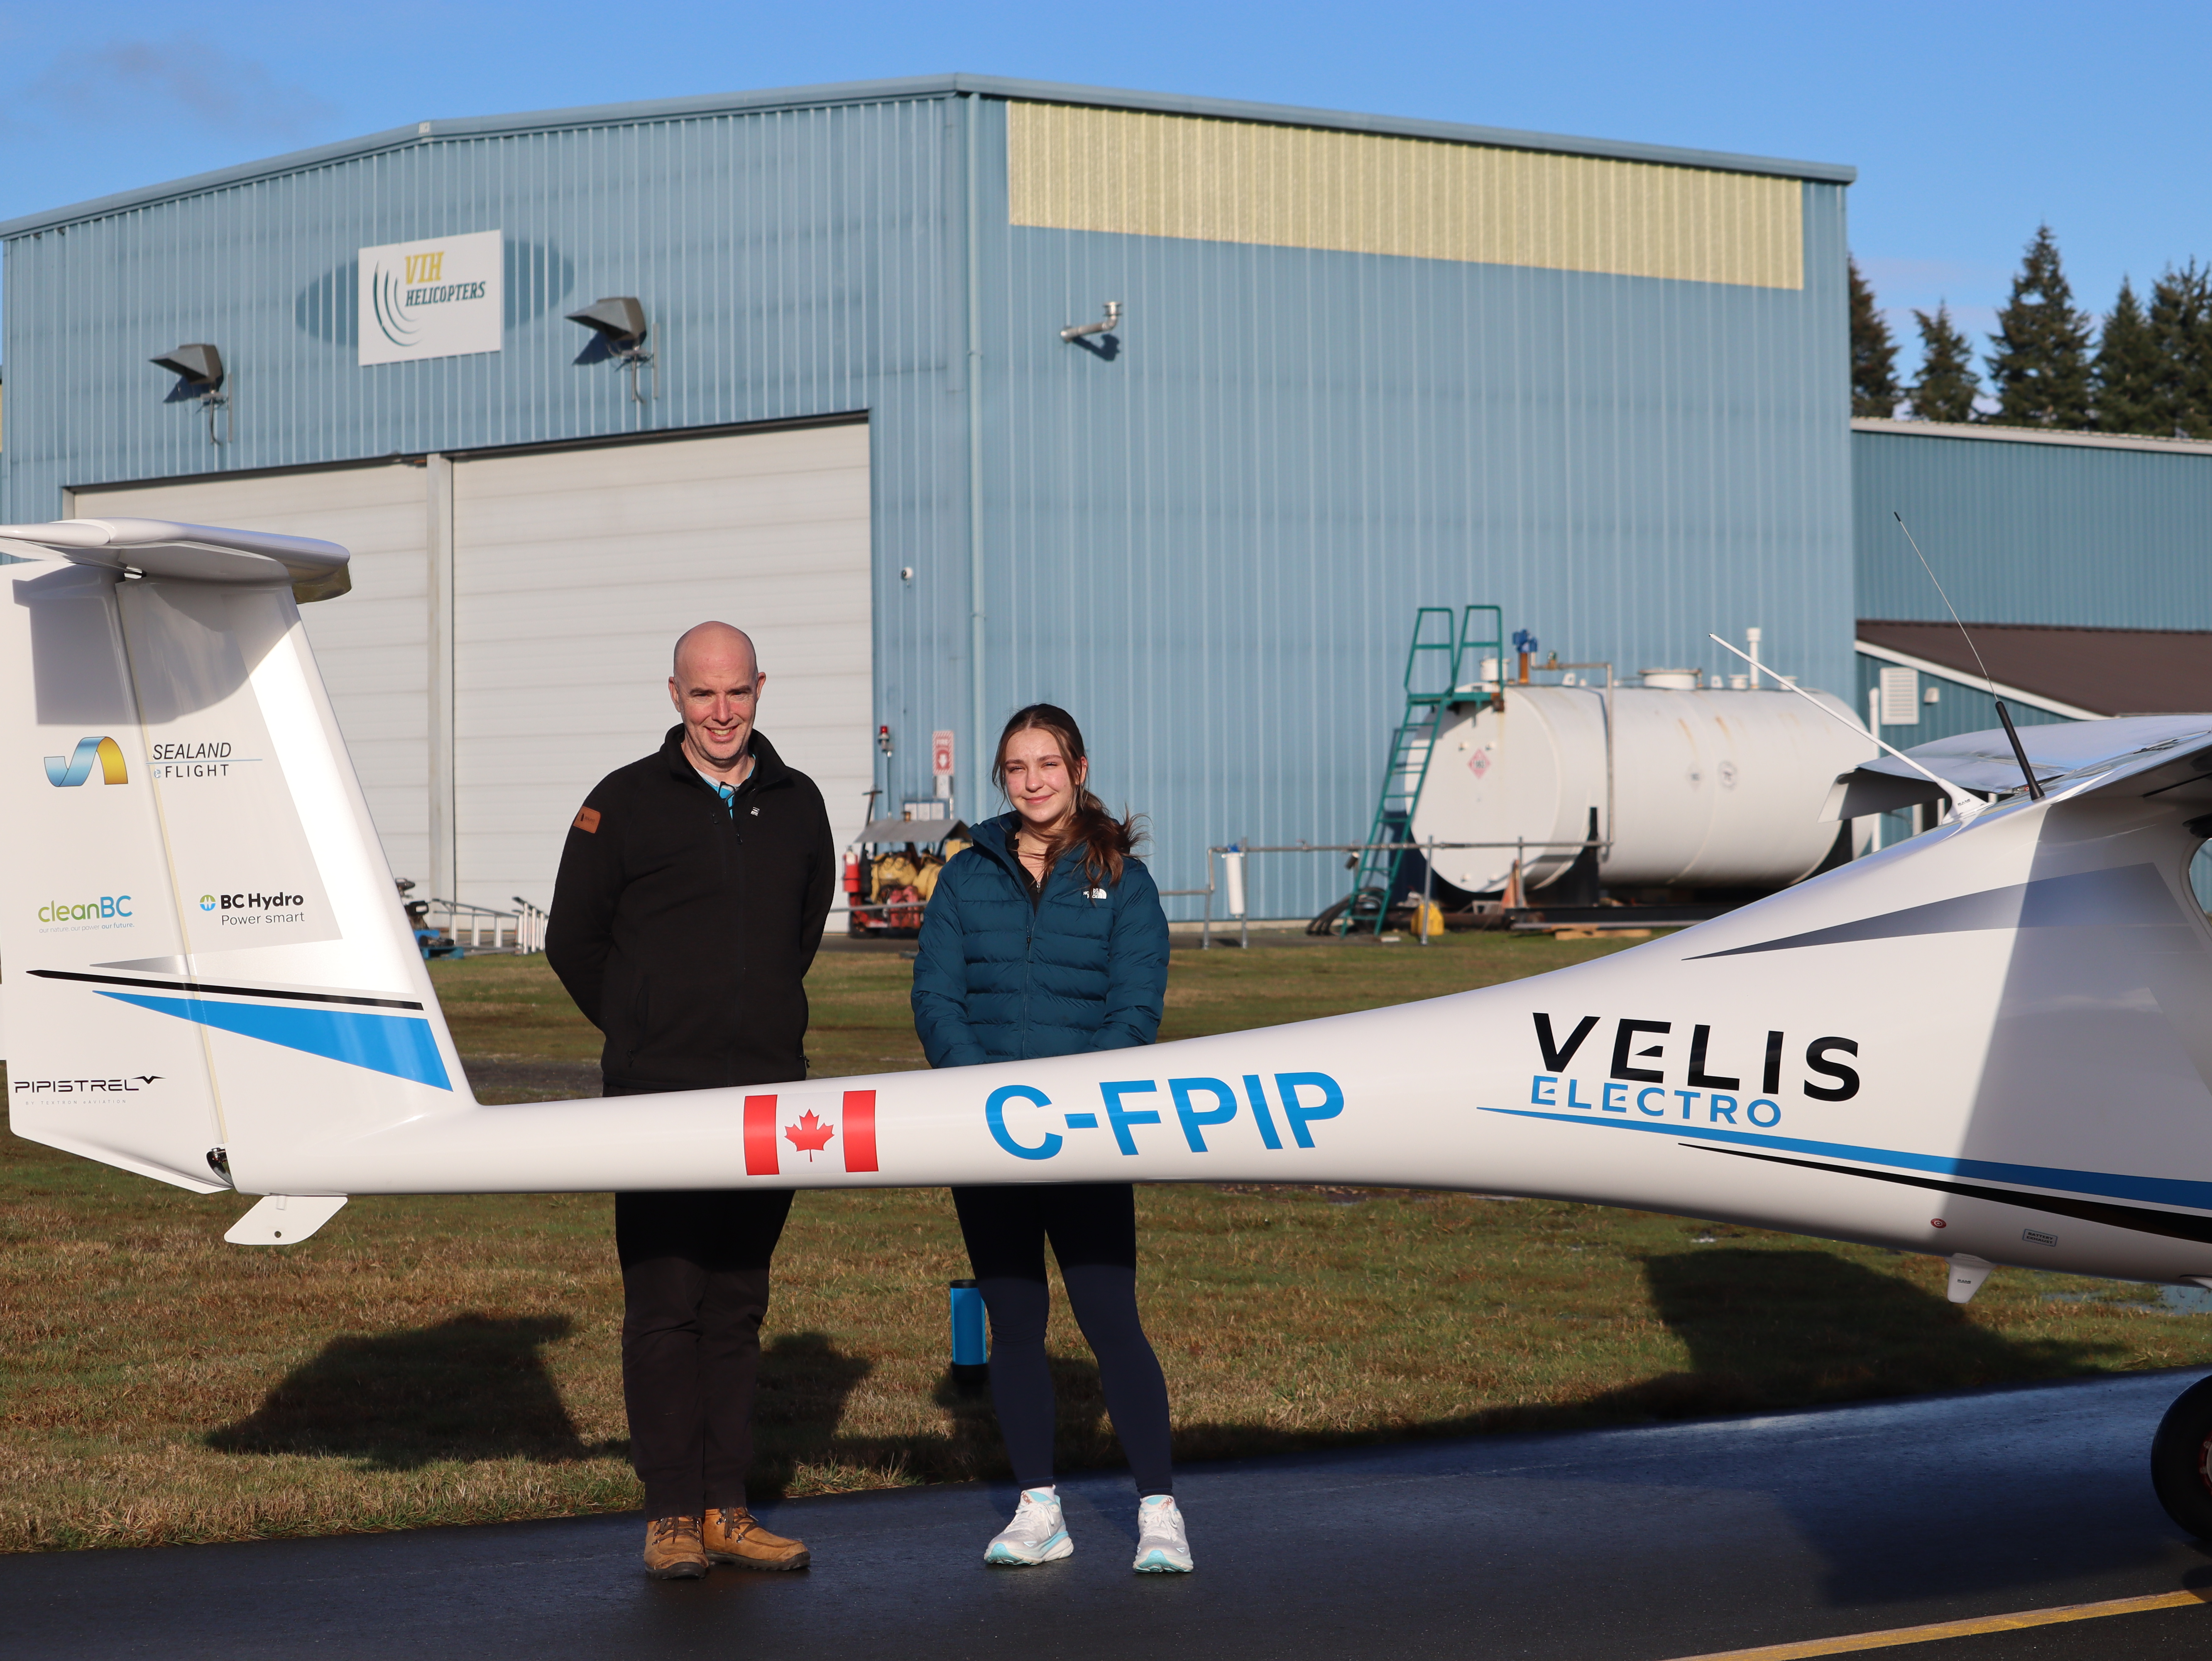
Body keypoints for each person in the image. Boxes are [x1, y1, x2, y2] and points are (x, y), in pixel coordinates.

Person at [547, 622, 833, 1581]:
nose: (722, 712)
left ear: (761, 689)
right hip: (657, 1100)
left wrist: (746, 1028)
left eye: (738, 693)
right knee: (666, 1303)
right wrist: (641, 1028)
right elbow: (573, 941)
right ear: (674, 693)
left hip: (764, 1100)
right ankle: (671, 1511)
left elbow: (798, 933)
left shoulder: (799, 803)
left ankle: (728, 1507)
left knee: (738, 1302)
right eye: (704, 694)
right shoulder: (622, 803)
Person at [910, 703, 1189, 1573]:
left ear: (1078, 766)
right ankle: (1039, 1508)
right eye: (1017, 767)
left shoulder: (1124, 880)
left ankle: (1159, 1508)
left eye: (1048, 763)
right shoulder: (965, 874)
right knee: (1016, 1325)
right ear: (1004, 777)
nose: (1033, 780)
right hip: (986, 1135)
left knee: (1111, 1317)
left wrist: (1075, 1102)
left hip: (1088, 1134)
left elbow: (1134, 1007)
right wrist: (981, 1088)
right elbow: (936, 996)